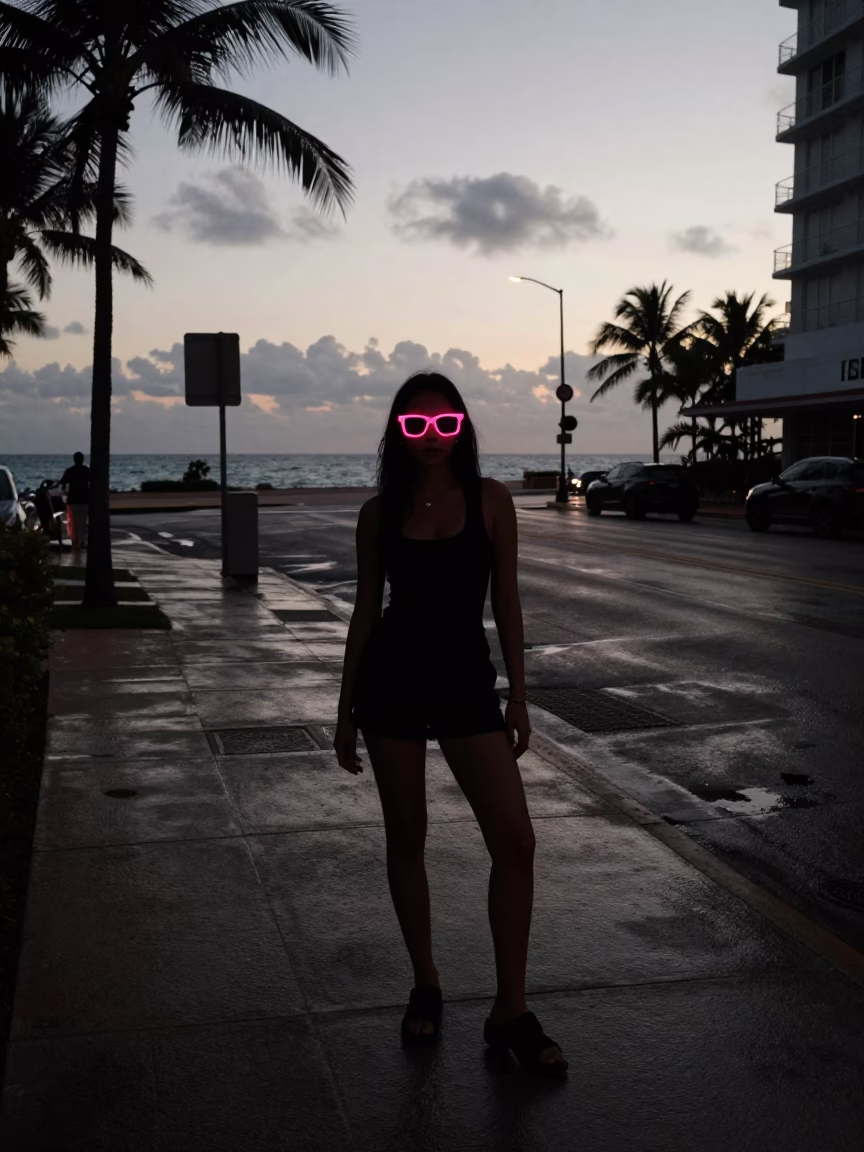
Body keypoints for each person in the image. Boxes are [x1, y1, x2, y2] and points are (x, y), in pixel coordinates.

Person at [333, 371, 568, 1078]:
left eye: (444, 423)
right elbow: (365, 611)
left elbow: (509, 603)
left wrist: (519, 697)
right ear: (397, 432)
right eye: (415, 425)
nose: (431, 436)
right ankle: (426, 981)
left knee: (516, 843)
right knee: (408, 838)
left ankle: (510, 1010)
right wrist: (344, 710)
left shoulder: (492, 501)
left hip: (467, 686)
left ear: (462, 428)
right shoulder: (379, 513)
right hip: (393, 687)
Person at [60, 452, 90, 557]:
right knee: (82, 523)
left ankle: (75, 543)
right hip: (84, 500)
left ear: (74, 460)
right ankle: (80, 543)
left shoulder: (69, 471)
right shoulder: (87, 470)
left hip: (72, 501)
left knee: (73, 524)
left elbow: (63, 484)